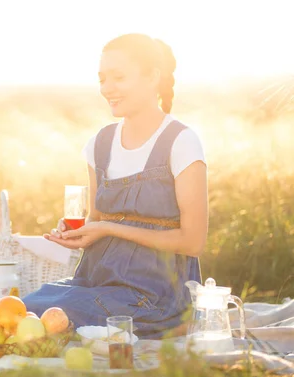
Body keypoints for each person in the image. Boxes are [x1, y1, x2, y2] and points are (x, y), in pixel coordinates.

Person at [22, 33, 208, 339]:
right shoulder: (100, 143)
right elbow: (97, 217)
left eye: (118, 77)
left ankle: (175, 326)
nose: (107, 88)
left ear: (152, 77)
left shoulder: (181, 142)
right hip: (96, 282)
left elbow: (193, 242)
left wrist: (109, 229)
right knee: (22, 310)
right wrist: (80, 232)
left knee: (53, 324)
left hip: (156, 293)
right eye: (102, 79)